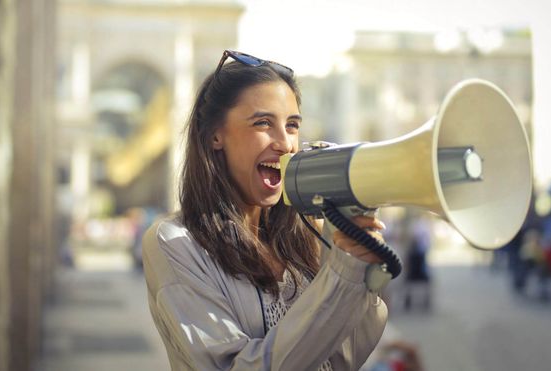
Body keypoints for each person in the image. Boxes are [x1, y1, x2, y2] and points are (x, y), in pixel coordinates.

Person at [142, 50, 388, 370]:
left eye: (292, 126)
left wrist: (359, 271)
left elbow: (341, 359)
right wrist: (340, 278)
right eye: (263, 123)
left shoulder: (306, 235)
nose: (285, 143)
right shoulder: (175, 242)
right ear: (215, 135)